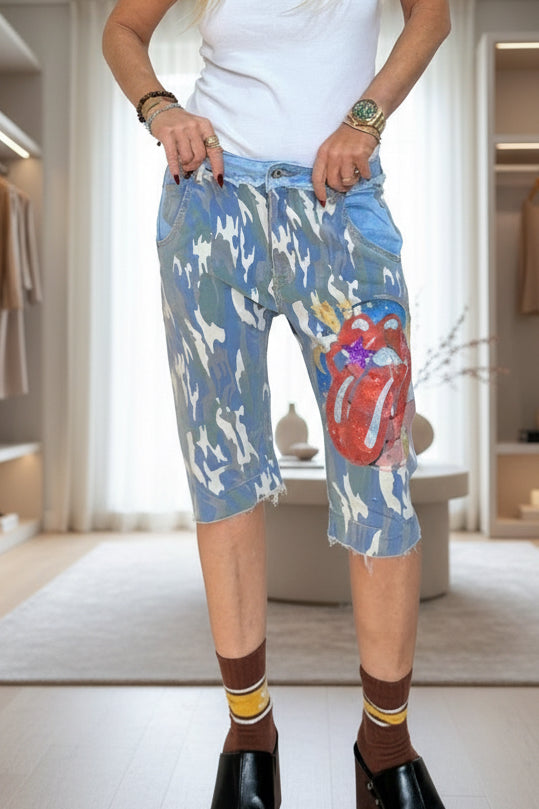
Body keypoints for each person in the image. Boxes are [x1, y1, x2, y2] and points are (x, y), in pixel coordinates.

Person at [103, 1, 451, 806]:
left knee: (379, 470)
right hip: (209, 208)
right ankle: (248, 730)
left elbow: (429, 17)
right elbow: (121, 28)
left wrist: (365, 118)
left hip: (342, 209)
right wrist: (160, 108)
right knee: (221, 466)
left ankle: (385, 743)